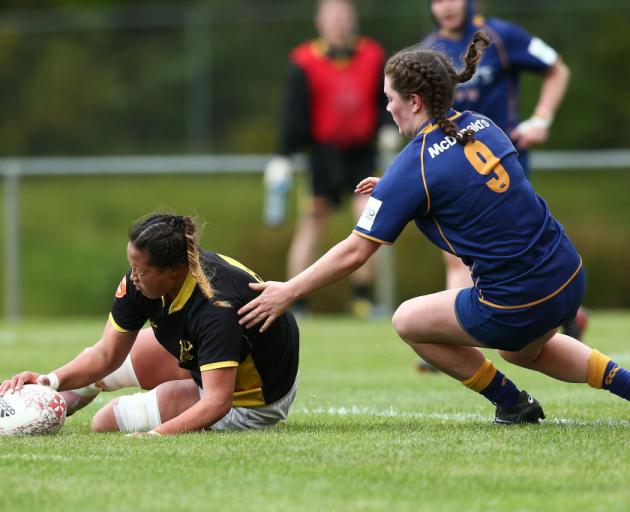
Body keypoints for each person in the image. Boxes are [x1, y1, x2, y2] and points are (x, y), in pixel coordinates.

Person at [238, 33, 630, 424]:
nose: (387, 107)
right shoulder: (480, 123)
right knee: (520, 351)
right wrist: (394, 189)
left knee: (408, 320)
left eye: (391, 97)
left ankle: (510, 402)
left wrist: (288, 290)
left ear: (414, 101)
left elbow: (355, 251)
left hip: (517, 302)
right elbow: (457, 177)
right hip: (569, 275)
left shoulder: (415, 167)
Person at [0, 213, 299, 435]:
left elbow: (218, 402)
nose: (133, 278)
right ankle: (50, 406)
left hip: (251, 397)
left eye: (142, 271)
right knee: (108, 368)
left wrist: (156, 436)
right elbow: (106, 355)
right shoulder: (145, 281)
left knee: (105, 422)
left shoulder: (216, 308)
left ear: (175, 271)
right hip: (213, 356)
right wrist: (48, 381)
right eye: (132, 266)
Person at [422, 0, 587, 348]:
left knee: (522, 250)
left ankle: (567, 308)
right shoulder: (427, 51)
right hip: (452, 172)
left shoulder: (500, 36)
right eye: (437, 0)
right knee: (456, 256)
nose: (446, 6)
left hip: (502, 168)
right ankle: (453, 340)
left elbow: (557, 69)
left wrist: (541, 119)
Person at [263, 0, 399, 318]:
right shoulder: (304, 60)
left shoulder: (373, 54)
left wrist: (387, 127)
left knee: (368, 221)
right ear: (319, 22)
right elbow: (293, 112)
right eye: (332, 17)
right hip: (322, 155)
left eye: (343, 16)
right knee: (311, 223)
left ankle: (362, 299)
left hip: (362, 154)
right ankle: (296, 304)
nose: (338, 22)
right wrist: (283, 156)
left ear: (353, 20)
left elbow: (386, 99)